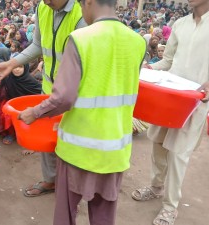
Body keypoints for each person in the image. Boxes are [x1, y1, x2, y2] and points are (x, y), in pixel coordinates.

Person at [18, 0, 146, 223]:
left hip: (78, 149)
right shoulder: (137, 41)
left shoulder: (80, 39)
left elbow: (64, 98)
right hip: (115, 150)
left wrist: (34, 113)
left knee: (66, 213)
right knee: (103, 216)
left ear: (88, 2)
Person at [0, 0, 84, 197]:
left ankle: (72, 187)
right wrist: (12, 62)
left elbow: (84, 59)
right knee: (48, 136)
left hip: (75, 91)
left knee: (72, 139)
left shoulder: (82, 11)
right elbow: (38, 45)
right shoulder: (43, 7)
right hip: (50, 86)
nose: (46, 1)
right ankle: (51, 181)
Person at [131, 0, 209, 224]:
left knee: (178, 154)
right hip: (168, 98)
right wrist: (149, 69)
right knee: (157, 142)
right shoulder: (180, 24)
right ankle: (156, 187)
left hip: (195, 102)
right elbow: (168, 61)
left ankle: (170, 205)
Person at [0, 49, 41, 146]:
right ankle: (11, 134)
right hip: (11, 102)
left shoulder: (30, 81)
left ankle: (23, 134)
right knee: (7, 116)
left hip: (24, 107)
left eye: (20, 67)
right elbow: (1, 86)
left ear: (25, 68)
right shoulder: (8, 77)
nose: (17, 69)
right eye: (14, 67)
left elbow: (40, 93)